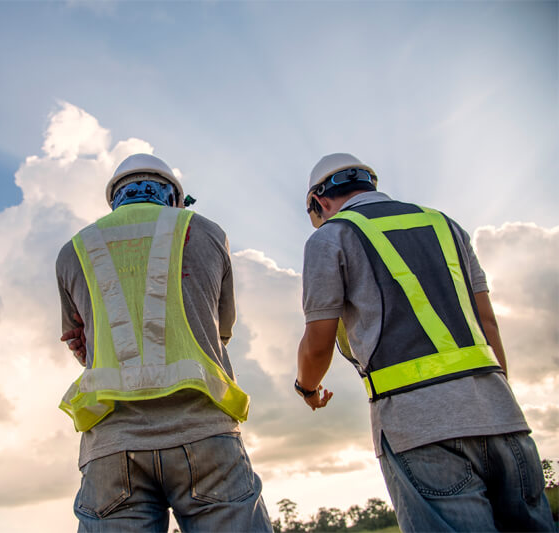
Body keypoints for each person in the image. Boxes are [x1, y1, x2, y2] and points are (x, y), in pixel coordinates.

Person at [295, 153, 554, 532]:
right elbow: (487, 324)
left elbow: (318, 343)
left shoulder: (330, 237)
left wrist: (307, 388)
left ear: (319, 202)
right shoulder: (444, 224)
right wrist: (497, 398)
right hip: (502, 415)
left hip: (420, 429)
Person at [56, 153, 272, 532]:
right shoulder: (207, 232)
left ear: (115, 198)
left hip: (112, 444)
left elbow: (83, 345)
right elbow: (220, 330)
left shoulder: (73, 250)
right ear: (173, 197)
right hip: (204, 433)